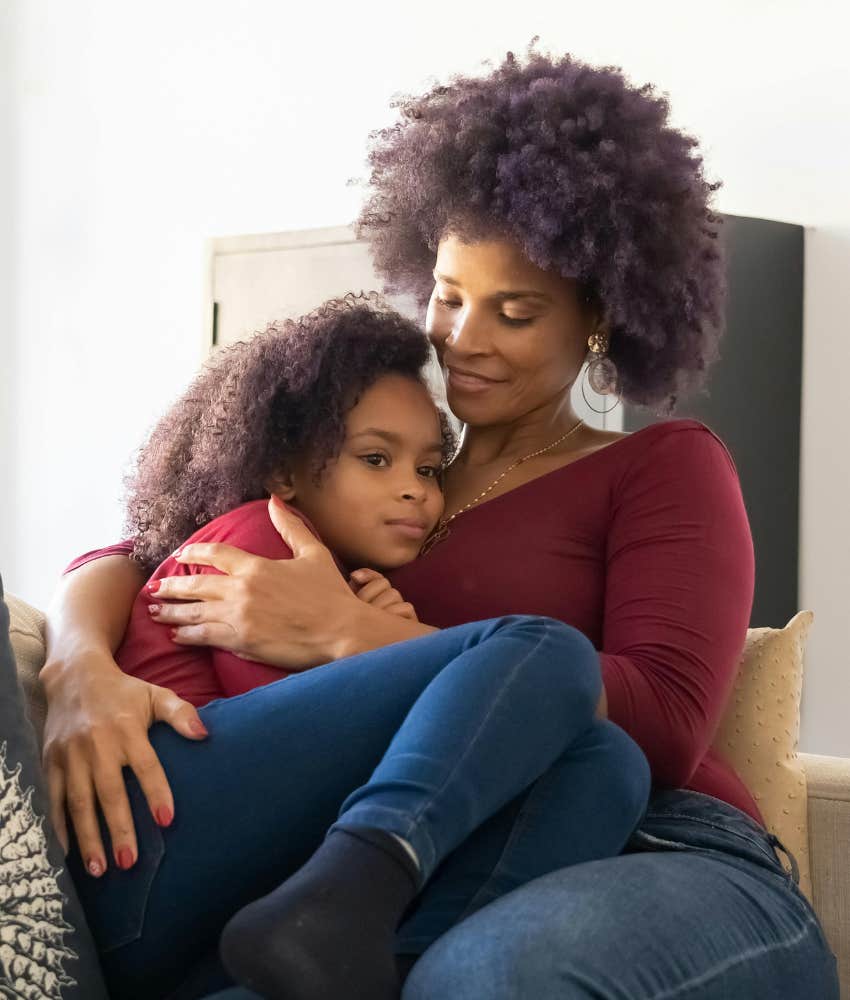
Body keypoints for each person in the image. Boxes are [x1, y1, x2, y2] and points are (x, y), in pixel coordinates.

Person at [41, 42, 839, 1000]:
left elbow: (665, 724)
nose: (463, 338)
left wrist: (350, 634)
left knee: (498, 966)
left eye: (514, 311)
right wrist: (77, 665)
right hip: (433, 860)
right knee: (441, 966)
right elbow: (153, 555)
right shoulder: (372, 478)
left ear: (598, 318)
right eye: (450, 297)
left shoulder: (663, 466)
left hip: (666, 845)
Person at [60, 293, 651, 999]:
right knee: (543, 648)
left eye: (429, 470)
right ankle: (349, 895)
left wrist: (360, 635)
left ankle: (367, 969)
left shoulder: (336, 578)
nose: (414, 492)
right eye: (376, 459)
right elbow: (312, 759)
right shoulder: (250, 543)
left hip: (222, 907)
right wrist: (374, 652)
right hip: (141, 856)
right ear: (284, 472)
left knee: (606, 761)